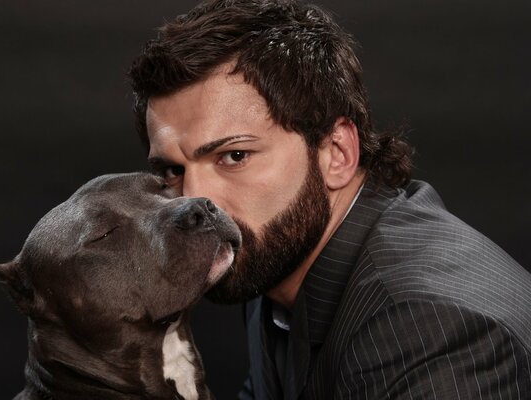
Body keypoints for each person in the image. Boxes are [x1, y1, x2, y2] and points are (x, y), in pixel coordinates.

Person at [127, 0, 531, 398]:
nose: (196, 200)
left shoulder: (428, 326)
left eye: (234, 156)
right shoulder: (272, 253)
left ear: (337, 154)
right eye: (172, 171)